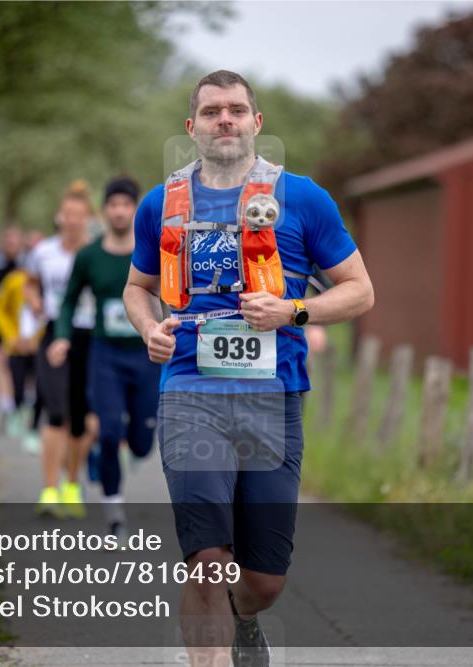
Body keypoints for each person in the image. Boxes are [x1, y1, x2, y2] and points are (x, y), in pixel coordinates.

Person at [123, 70, 374, 666]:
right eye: (212, 112)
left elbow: (360, 291)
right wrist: (148, 328)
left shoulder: (303, 198)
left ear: (256, 122)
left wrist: (293, 310)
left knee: (263, 582)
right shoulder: (161, 204)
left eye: (236, 110)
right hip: (189, 393)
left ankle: (245, 617)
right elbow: (137, 288)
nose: (225, 121)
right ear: (192, 127)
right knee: (208, 561)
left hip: (273, 398)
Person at [48, 176, 160, 540]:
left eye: (126, 205)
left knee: (142, 443)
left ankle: (121, 448)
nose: (119, 211)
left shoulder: (153, 252)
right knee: (109, 432)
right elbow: (68, 301)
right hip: (105, 355)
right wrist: (62, 337)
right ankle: (114, 514)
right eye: (113, 205)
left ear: (135, 209)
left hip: (146, 356)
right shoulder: (89, 256)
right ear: (104, 210)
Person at [26, 181, 99, 518]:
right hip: (55, 331)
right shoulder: (44, 251)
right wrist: (34, 301)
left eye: (79, 215)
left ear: (88, 219)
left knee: (81, 417)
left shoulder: (97, 252)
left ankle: (71, 484)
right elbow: (30, 282)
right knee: (56, 410)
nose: (72, 221)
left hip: (89, 333)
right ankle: (49, 489)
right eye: (67, 214)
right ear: (59, 217)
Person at [0, 265, 43, 453]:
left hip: (38, 346)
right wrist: (11, 337)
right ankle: (15, 412)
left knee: (39, 387)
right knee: (17, 383)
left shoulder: (46, 284)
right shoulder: (13, 281)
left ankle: (33, 426)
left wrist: (37, 340)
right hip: (16, 345)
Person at [0, 225, 26, 435]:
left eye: (15, 241)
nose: (12, 245)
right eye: (8, 242)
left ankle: (20, 403)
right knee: (4, 363)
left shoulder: (27, 265)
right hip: (1, 323)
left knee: (23, 367)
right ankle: (8, 407)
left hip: (23, 325)